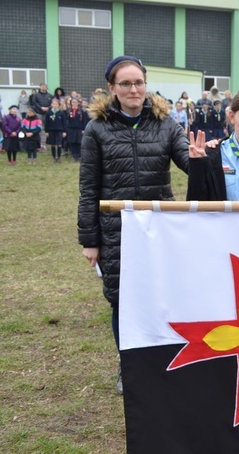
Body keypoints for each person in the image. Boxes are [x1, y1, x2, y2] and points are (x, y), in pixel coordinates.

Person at [77, 55, 189, 394]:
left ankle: (163, 360)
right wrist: (89, 239)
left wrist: (201, 159)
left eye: (138, 82)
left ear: (146, 84)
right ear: (112, 88)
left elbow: (186, 159)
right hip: (117, 230)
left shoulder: (166, 123)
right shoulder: (96, 129)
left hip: (159, 228)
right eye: (124, 83)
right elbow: (88, 188)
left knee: (161, 297)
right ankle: (129, 367)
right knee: (122, 301)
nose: (133, 89)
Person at [44, 98, 67, 163]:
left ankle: (59, 157)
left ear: (58, 105)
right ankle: (54, 157)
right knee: (53, 144)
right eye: (53, 104)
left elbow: (64, 123)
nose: (55, 105)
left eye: (56, 104)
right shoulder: (49, 113)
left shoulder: (61, 113)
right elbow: (46, 123)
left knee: (59, 144)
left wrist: (64, 131)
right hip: (51, 131)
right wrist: (46, 131)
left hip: (59, 130)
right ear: (51, 105)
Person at [66, 98, 88, 162]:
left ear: (78, 103)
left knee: (79, 142)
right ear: (71, 103)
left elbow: (84, 121)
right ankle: (74, 155)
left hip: (79, 129)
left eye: (76, 102)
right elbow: (66, 120)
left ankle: (79, 155)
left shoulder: (82, 111)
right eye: (73, 102)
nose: (74, 103)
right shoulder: (69, 111)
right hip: (71, 129)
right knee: (72, 142)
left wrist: (84, 129)